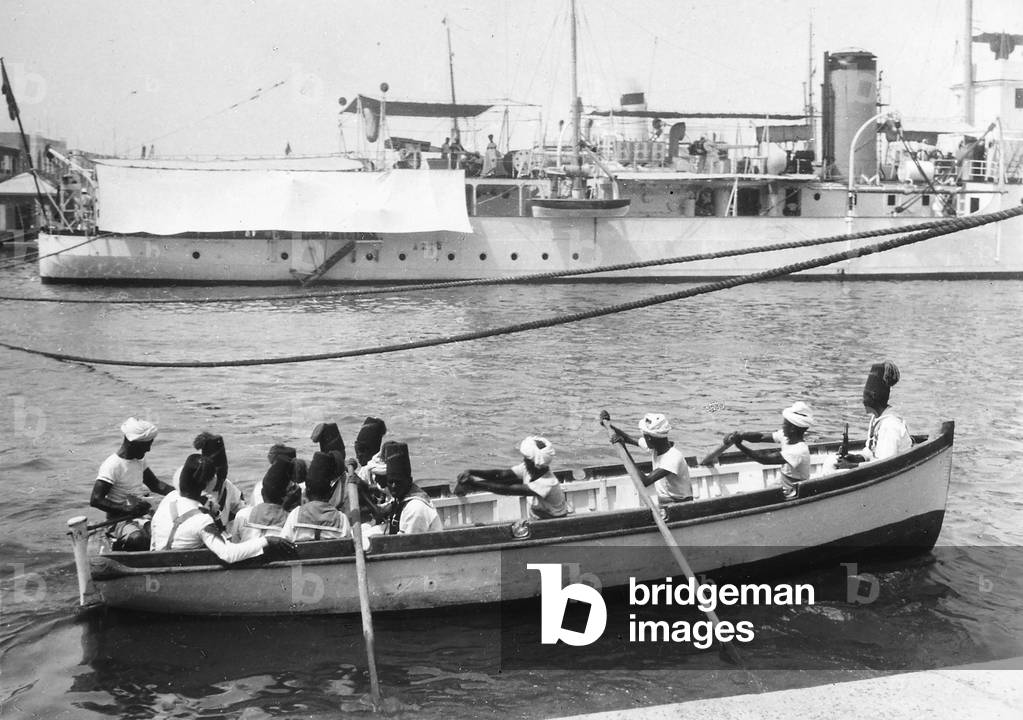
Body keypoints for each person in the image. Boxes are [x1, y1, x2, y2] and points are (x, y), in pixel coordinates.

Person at [151, 454, 296, 563]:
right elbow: (229, 554)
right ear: (208, 485)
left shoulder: (169, 498)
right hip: (180, 565)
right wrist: (268, 541)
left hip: (158, 557)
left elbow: (154, 528)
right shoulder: (202, 520)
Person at [91, 417, 175, 551]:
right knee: (138, 540)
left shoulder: (139, 460)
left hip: (140, 515)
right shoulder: (112, 465)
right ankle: (117, 541)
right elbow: (96, 499)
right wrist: (126, 508)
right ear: (133, 443)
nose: (149, 449)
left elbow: (156, 485)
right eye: (147, 445)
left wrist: (182, 492)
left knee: (167, 534)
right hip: (120, 520)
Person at [455, 436, 569, 519]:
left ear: (534, 462)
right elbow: (501, 475)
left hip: (553, 520)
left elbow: (508, 490)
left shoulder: (547, 483)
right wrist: (472, 472)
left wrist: (474, 484)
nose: (523, 460)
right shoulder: (528, 468)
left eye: (526, 458)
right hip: (538, 517)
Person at [725, 401, 815, 498]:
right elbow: (761, 437)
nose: (782, 426)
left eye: (785, 424)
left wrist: (740, 446)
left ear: (792, 429)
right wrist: (741, 435)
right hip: (783, 481)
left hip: (794, 489)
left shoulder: (799, 451)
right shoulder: (786, 436)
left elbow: (764, 459)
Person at [602, 412, 693, 504]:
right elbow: (627, 438)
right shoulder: (657, 447)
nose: (643, 439)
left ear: (649, 438)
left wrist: (624, 448)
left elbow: (645, 481)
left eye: (644, 437)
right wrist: (608, 425)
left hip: (680, 505)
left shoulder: (673, 457)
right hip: (665, 503)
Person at [838, 361, 912, 468]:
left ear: (875, 400)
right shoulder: (876, 419)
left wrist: (854, 466)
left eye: (866, 398)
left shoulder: (890, 426)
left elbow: (885, 464)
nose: (863, 402)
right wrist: (858, 457)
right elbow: (871, 451)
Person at [173, 432, 246, 534]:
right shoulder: (190, 493)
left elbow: (241, 509)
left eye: (224, 471)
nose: (221, 477)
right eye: (217, 473)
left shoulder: (228, 486)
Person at [281, 451, 351, 541]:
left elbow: (283, 541)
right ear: (330, 494)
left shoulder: (295, 515)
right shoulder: (341, 519)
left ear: (306, 492)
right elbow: (348, 544)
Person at [381, 442, 443, 534]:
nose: (393, 486)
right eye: (390, 482)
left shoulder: (415, 508)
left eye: (398, 482)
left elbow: (408, 544)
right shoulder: (400, 499)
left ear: (409, 480)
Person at [231, 458, 294, 542]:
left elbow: (235, 546)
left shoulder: (242, 515)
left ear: (262, 493)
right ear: (286, 496)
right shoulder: (292, 520)